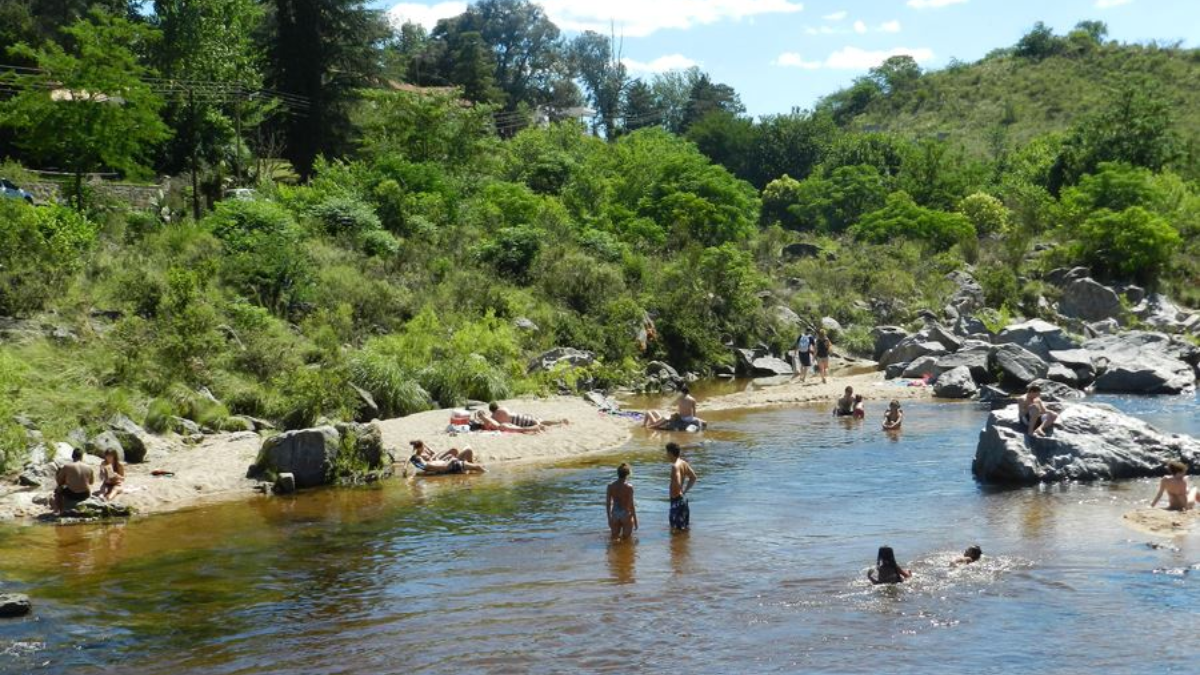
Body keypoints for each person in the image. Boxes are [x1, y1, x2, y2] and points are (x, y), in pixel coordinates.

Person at [666, 442, 697, 532]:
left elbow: (678, 481)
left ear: (670, 453)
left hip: (677, 501)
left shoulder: (675, 466)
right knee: (684, 530)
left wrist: (677, 492)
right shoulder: (683, 463)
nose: (666, 455)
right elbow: (693, 477)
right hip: (683, 500)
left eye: (667, 452)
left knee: (675, 530)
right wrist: (684, 491)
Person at [54, 448, 96, 513]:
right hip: (85, 494)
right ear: (82, 456)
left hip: (72, 494)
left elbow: (59, 481)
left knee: (58, 490)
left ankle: (59, 510)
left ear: (72, 456)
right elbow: (91, 482)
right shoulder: (89, 467)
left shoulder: (67, 466)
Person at [606, 463, 638, 540]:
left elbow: (608, 504)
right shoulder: (629, 487)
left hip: (615, 514)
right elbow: (631, 505)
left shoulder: (610, 486)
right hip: (625, 514)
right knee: (626, 540)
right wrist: (636, 521)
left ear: (618, 473)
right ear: (627, 474)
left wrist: (609, 518)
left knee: (614, 540)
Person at [408, 450, 487, 475]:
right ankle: (487, 474)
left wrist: (447, 458)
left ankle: (482, 472)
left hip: (455, 466)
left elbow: (441, 465)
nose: (422, 455)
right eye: (420, 456)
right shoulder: (428, 464)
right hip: (455, 465)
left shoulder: (425, 465)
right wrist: (451, 460)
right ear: (419, 458)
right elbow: (445, 467)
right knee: (478, 467)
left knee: (477, 467)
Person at [472, 408, 543, 434]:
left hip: (502, 426)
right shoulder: (485, 421)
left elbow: (487, 421)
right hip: (502, 426)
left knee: (520, 429)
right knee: (520, 429)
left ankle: (535, 428)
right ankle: (535, 428)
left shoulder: (485, 420)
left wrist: (480, 416)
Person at [409, 440, 477, 464]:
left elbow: (432, 452)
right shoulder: (420, 455)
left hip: (438, 459)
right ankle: (469, 463)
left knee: (454, 450)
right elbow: (431, 461)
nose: (424, 447)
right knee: (468, 450)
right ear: (419, 448)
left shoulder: (423, 450)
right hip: (438, 461)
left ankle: (462, 460)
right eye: (423, 446)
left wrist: (426, 447)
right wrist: (437, 454)